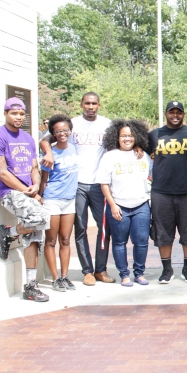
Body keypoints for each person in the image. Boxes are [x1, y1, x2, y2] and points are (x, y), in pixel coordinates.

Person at [40, 92, 115, 286]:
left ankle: (101, 269)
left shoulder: (107, 124)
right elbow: (46, 139)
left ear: (99, 105)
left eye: (94, 103)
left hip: (99, 183)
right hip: (77, 185)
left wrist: (138, 147)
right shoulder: (71, 124)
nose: (90, 106)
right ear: (81, 104)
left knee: (104, 228)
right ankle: (87, 271)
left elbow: (123, 141)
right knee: (80, 228)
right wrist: (47, 150)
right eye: (87, 103)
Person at [0, 98, 50, 302]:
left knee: (34, 236)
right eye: (14, 113)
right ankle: (9, 232)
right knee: (42, 218)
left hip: (28, 191)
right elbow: (2, 173)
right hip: (10, 193)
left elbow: (34, 167)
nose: (18, 117)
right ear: (6, 113)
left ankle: (30, 287)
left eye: (22, 114)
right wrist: (26, 190)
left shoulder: (27, 137)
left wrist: (35, 187)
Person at [147, 101, 187, 284]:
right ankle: (167, 270)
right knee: (163, 233)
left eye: (179, 112)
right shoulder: (154, 135)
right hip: (161, 192)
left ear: (183, 114)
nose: (175, 115)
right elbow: (138, 151)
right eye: (172, 112)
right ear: (166, 113)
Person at [97, 119, 153, 287]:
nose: (127, 139)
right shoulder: (109, 157)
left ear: (137, 137)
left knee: (141, 241)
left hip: (141, 205)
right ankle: (124, 274)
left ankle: (139, 273)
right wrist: (113, 205)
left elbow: (152, 176)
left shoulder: (143, 156)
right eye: (123, 136)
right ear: (117, 137)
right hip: (119, 206)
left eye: (130, 135)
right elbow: (104, 183)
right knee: (119, 242)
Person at [39, 114, 79, 292]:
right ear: (53, 133)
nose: (62, 134)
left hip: (69, 200)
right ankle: (55, 278)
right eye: (58, 131)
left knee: (65, 239)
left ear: (70, 131)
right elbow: (44, 179)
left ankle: (64, 276)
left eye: (65, 130)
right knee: (51, 240)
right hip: (53, 199)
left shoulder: (75, 147)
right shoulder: (50, 154)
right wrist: (39, 197)